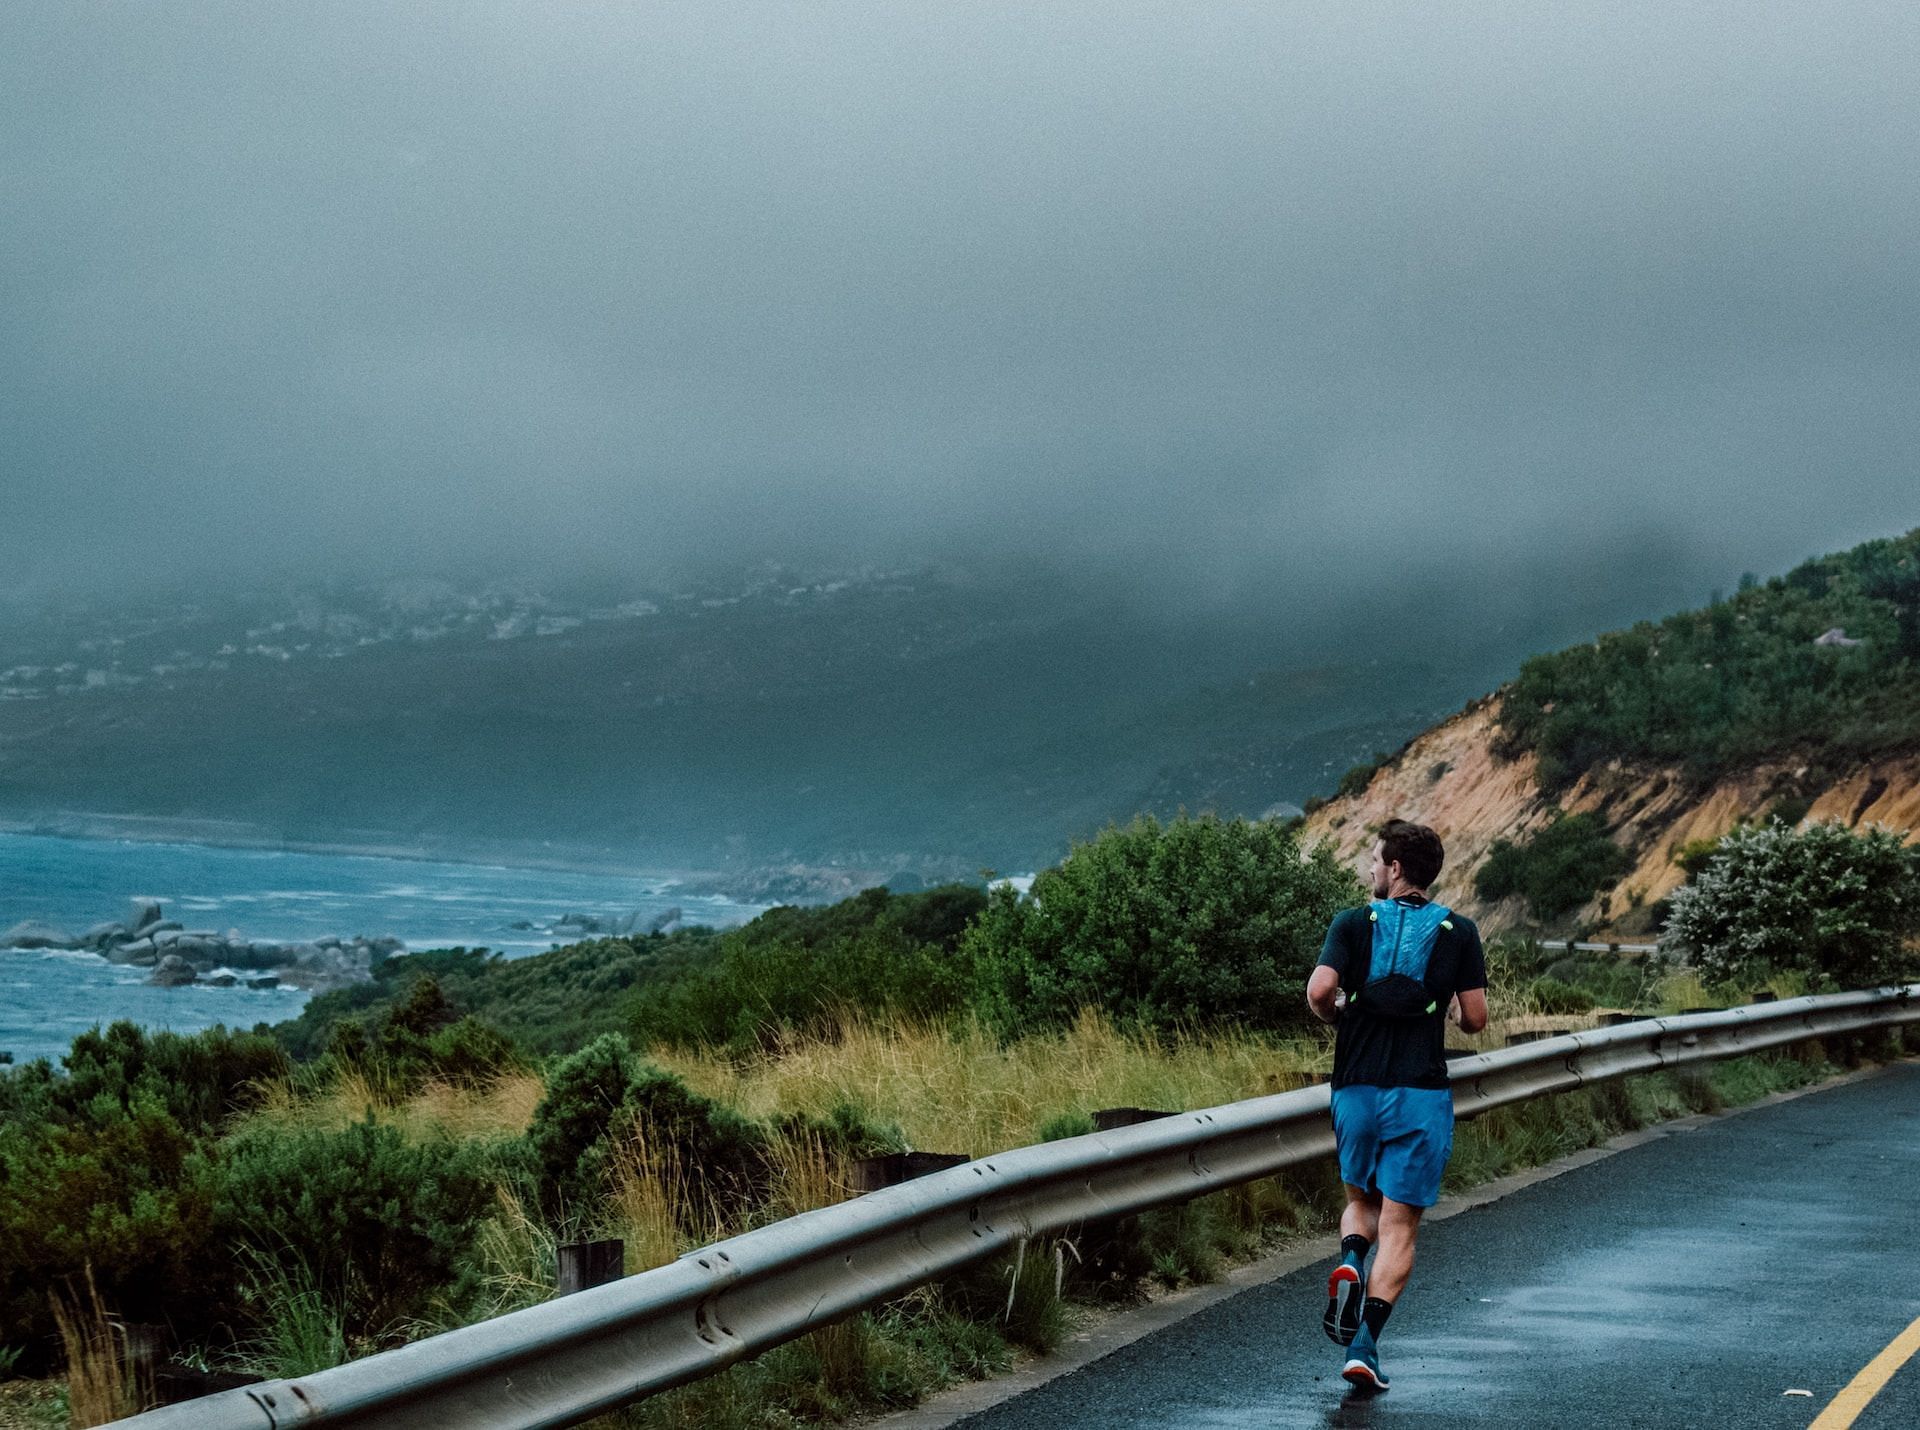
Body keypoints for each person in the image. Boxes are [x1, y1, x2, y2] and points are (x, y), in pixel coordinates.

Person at [1306, 818, 1488, 1394]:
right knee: (1402, 1223)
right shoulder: (1459, 931)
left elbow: (1317, 991)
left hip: (1356, 1086)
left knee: (1360, 1197)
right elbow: (1476, 1018)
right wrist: (1453, 1013)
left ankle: (1351, 1260)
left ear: (1395, 870)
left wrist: (1337, 1014)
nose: (1370, 868)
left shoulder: (1352, 923)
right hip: (1420, 1093)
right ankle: (1365, 1346)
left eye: (1374, 860)